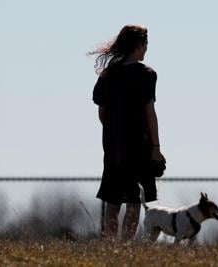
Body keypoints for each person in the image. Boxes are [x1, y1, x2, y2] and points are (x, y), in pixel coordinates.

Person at [90, 24, 165, 240]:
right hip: (139, 144)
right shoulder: (147, 75)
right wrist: (156, 148)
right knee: (134, 199)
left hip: (114, 146)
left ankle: (111, 247)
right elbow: (150, 113)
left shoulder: (107, 75)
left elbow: (101, 113)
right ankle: (126, 247)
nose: (146, 49)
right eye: (145, 45)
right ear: (138, 45)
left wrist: (114, 132)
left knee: (113, 200)